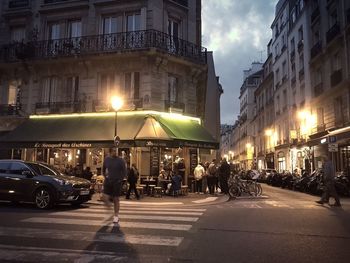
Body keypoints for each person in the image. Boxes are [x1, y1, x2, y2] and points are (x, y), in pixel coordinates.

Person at [102, 148, 127, 225]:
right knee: (104, 197)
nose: (115, 152)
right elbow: (103, 169)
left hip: (117, 182)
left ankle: (116, 216)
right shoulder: (107, 159)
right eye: (113, 151)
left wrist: (121, 180)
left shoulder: (121, 160)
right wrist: (105, 177)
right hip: (108, 181)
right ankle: (110, 212)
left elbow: (125, 171)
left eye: (116, 151)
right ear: (110, 152)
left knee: (116, 199)